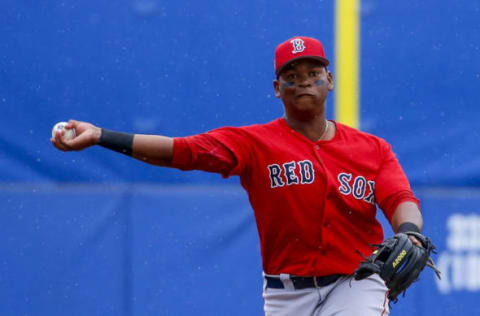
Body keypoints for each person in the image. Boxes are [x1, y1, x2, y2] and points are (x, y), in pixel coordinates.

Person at [51, 36, 424, 316]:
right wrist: (101, 136)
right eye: (292, 76)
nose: (305, 81)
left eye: (314, 73)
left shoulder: (372, 148)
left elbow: (399, 199)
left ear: (330, 79)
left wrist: (409, 231)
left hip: (354, 283)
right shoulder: (253, 143)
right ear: (277, 90)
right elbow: (180, 151)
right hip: (285, 294)